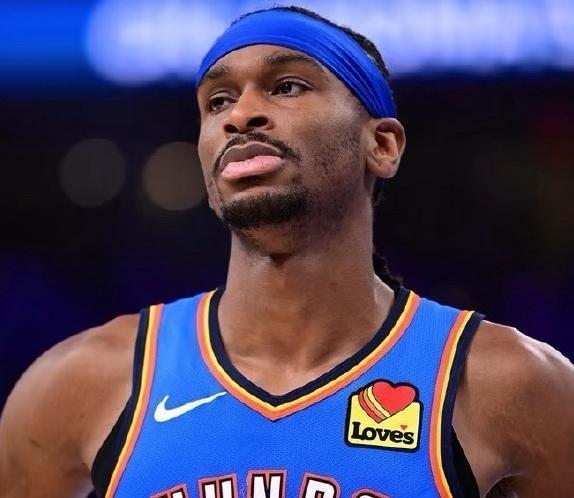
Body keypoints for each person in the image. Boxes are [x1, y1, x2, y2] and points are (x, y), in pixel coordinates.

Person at [1, 6, 573, 498]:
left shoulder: (511, 383)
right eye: (218, 100)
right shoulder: (80, 383)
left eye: (287, 86)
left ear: (381, 144)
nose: (240, 115)